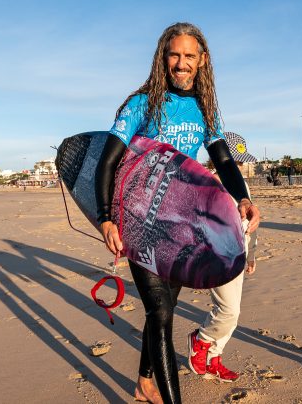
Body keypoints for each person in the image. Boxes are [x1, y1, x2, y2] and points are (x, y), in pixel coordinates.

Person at [93, 22, 261, 404]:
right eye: (174, 55)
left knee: (162, 310)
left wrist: (243, 200)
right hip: (137, 220)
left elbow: (223, 158)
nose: (181, 64)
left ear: (202, 61)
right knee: (161, 314)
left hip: (180, 225)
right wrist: (105, 217)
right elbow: (107, 162)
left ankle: (144, 383)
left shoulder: (204, 110)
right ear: (162, 57)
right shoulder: (141, 104)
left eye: (189, 56)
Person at [187, 131, 260, 383]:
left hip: (241, 250)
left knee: (234, 313)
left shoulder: (243, 186)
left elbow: (250, 222)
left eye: (240, 162)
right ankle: (202, 340)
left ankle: (214, 357)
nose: (239, 166)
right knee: (227, 310)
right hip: (219, 254)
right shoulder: (210, 183)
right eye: (235, 161)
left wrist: (251, 256)